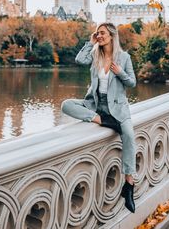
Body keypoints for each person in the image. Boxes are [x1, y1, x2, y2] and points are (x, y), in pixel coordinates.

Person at [61, 22, 137, 213]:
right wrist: (89, 42)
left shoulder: (124, 57)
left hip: (117, 108)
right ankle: (101, 121)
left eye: (102, 33)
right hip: (96, 105)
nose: (99, 35)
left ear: (112, 35)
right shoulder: (95, 55)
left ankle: (129, 186)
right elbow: (80, 60)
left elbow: (132, 83)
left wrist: (120, 73)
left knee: (128, 134)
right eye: (97, 33)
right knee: (66, 105)